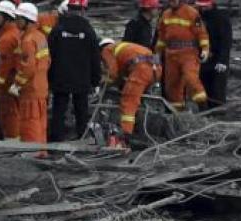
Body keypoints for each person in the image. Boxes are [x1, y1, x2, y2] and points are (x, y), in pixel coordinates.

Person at [48, 0, 101, 140]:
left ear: (68, 9)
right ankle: (81, 138)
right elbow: (95, 57)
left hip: (60, 77)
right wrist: (96, 81)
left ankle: (55, 140)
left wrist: (49, 78)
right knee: (81, 111)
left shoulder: (57, 28)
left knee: (58, 110)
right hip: (82, 78)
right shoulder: (88, 30)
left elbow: (49, 54)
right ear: (83, 10)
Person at [100, 38, 161, 148]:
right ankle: (140, 129)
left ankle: (125, 136)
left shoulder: (107, 51)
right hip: (156, 69)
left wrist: (104, 83)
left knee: (128, 102)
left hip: (142, 69)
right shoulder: (125, 48)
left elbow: (113, 73)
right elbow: (121, 73)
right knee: (139, 101)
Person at [10, 2, 52, 156]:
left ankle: (31, 153)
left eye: (18, 18)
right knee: (41, 122)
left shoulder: (28, 40)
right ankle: (41, 151)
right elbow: (47, 61)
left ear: (26, 20)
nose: (16, 22)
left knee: (29, 122)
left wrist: (17, 84)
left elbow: (28, 67)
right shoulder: (40, 36)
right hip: (41, 86)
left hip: (30, 89)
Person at [156, 0, 211, 110]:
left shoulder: (192, 13)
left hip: (188, 53)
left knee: (191, 78)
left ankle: (203, 106)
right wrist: (158, 53)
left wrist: (205, 49)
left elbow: (202, 33)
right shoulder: (165, 15)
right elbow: (161, 36)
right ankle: (177, 111)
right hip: (170, 55)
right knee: (172, 84)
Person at [0, 0, 23, 140]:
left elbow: (2, 66)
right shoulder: (15, 33)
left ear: (7, 18)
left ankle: (12, 141)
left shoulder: (7, 38)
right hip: (14, 81)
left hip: (6, 84)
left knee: (9, 114)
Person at [196, 0, 233, 107]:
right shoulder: (199, 18)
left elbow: (226, 42)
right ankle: (204, 110)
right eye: (200, 7)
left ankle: (217, 112)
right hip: (203, 58)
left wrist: (222, 61)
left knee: (217, 89)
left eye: (204, 7)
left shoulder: (221, 19)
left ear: (211, 5)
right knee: (204, 86)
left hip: (217, 59)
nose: (202, 9)